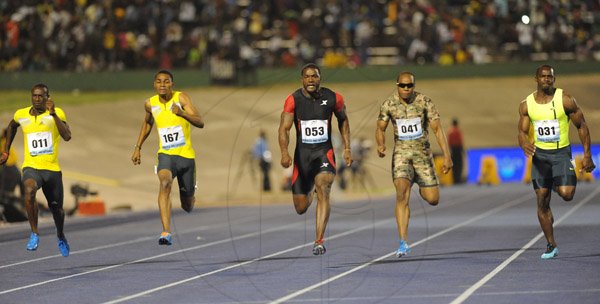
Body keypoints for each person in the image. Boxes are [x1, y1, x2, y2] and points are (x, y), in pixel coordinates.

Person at [517, 64, 595, 259]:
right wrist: (524, 143)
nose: (546, 79)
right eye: (543, 76)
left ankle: (554, 183)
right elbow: (521, 131)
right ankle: (551, 244)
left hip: (561, 154)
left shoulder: (566, 100)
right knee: (542, 201)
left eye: (550, 77)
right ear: (536, 79)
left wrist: (587, 155)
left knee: (567, 194)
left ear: (554, 79)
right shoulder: (527, 105)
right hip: (540, 157)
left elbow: (582, 126)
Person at [375, 71, 452, 257]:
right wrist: (381, 144)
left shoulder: (425, 102)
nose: (406, 89)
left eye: (409, 85)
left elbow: (437, 130)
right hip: (401, 155)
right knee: (401, 195)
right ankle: (403, 242)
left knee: (433, 199)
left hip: (423, 156)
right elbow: (380, 127)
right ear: (397, 85)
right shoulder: (389, 104)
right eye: (403, 85)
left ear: (414, 86)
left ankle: (420, 182)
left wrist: (447, 156)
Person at [278, 63, 352, 255]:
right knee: (300, 207)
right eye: (307, 76)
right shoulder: (293, 99)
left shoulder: (333, 97)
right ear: (302, 79)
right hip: (302, 157)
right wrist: (284, 153)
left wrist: (347, 148)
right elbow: (284, 128)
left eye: (315, 76)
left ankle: (319, 240)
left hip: (323, 153)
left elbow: (343, 119)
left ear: (320, 78)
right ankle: (309, 190)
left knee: (324, 188)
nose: (311, 80)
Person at [131, 70, 204, 246]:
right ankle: (166, 231)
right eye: (159, 82)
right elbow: (148, 123)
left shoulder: (182, 99)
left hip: (186, 157)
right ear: (154, 85)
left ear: (172, 84)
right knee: (165, 183)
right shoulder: (150, 104)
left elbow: (200, 122)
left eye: (166, 82)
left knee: (187, 206)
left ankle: (190, 191)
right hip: (166, 155)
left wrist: (182, 113)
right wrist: (137, 147)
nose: (162, 85)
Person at [0, 83, 72, 256]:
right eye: (35, 96)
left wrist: (53, 114)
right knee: (29, 190)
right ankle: (34, 232)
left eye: (41, 96)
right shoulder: (21, 114)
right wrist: (6, 150)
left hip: (51, 169)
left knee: (57, 209)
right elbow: (11, 126)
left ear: (48, 97)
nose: (37, 99)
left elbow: (67, 136)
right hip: (32, 167)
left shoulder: (57, 113)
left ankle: (60, 235)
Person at [447, 118, 465, 184]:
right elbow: (461, 142)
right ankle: (458, 179)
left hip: (453, 150)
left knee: (453, 165)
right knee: (459, 165)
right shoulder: (458, 131)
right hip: (458, 149)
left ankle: (454, 179)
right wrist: (463, 151)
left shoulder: (450, 132)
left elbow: (448, 142)